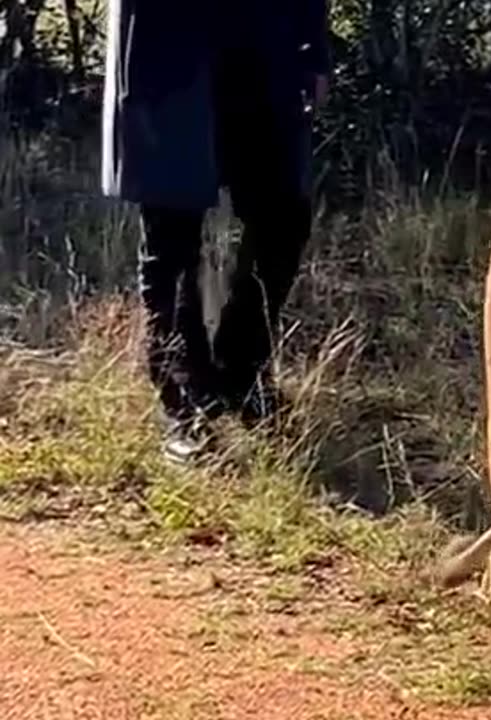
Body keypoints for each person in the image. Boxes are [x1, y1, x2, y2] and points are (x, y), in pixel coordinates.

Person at [100, 0, 331, 462]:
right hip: (167, 51)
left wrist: (314, 51)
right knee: (172, 234)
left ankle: (242, 374)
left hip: (265, 45)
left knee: (283, 216)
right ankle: (185, 401)